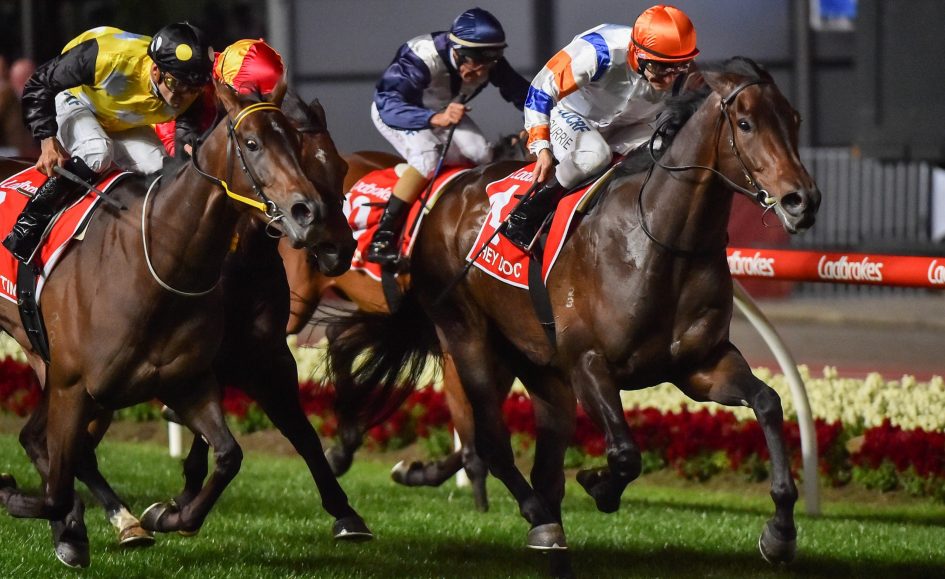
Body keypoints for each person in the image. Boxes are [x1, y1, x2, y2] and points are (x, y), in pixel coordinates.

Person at [4, 23, 213, 263]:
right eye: (176, 84)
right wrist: (46, 140)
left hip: (120, 118)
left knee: (159, 170)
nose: (182, 97)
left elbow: (185, 143)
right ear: (156, 70)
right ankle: (30, 221)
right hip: (75, 98)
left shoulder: (191, 92)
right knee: (97, 151)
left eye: (192, 89)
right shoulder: (109, 58)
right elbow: (38, 83)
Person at [504, 4, 698, 249]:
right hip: (572, 115)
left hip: (631, 124)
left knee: (666, 152)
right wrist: (541, 146)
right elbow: (542, 88)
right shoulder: (599, 50)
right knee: (595, 155)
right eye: (660, 67)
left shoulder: (683, 70)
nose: (670, 78)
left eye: (679, 66)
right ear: (636, 52)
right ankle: (526, 215)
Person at [366, 7, 530, 265]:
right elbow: (388, 103)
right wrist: (433, 118)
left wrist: (535, 121)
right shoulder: (421, 56)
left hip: (445, 110)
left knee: (481, 153)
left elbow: (520, 92)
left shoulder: (489, 61)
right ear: (457, 51)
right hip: (401, 112)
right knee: (427, 159)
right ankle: (383, 236)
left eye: (491, 62)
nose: (483, 71)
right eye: (476, 62)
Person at [154, 38, 286, 159]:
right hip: (154, 134)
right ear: (224, 83)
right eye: (248, 99)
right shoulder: (193, 87)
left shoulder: (225, 78)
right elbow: (168, 128)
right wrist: (180, 149)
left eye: (263, 100)